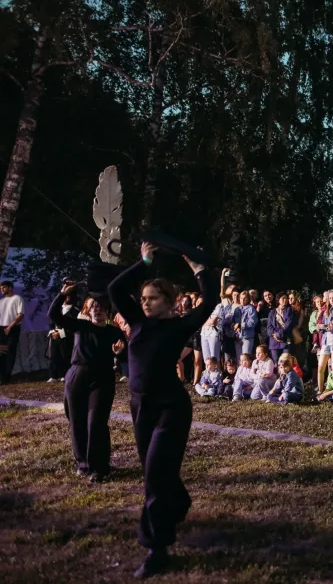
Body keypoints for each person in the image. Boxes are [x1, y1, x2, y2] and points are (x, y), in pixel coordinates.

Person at [107, 242, 217, 577]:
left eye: (152, 297)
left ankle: (157, 547)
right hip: (140, 407)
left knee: (155, 474)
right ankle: (179, 500)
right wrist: (143, 262)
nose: (145, 302)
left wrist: (199, 270)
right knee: (157, 471)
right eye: (143, 298)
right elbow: (114, 288)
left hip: (171, 408)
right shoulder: (137, 322)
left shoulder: (179, 325)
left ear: (169, 302)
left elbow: (209, 300)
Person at [48, 285, 126, 482]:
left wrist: (119, 353)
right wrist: (62, 294)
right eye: (93, 306)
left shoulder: (114, 333)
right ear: (87, 310)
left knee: (96, 422)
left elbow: (125, 356)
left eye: (101, 306)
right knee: (76, 422)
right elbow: (54, 315)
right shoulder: (80, 326)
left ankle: (100, 467)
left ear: (108, 312)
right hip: (77, 375)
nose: (97, 308)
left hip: (102, 378)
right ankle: (83, 465)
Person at [47, 290, 77, 382]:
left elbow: (74, 325)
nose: (67, 298)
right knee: (54, 354)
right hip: (55, 335)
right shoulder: (57, 309)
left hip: (67, 336)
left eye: (69, 296)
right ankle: (53, 375)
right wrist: (52, 332)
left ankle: (64, 374)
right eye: (66, 296)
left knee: (65, 355)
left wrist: (63, 333)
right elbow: (51, 322)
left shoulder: (74, 311)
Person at [0, 280, 25, 384]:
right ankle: (1, 377)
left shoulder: (17, 298)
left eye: (4, 287)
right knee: (1, 352)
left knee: (10, 351)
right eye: (1, 288)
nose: (2, 289)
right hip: (1, 328)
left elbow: (20, 314)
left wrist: (10, 326)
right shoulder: (1, 301)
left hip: (13, 327)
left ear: (10, 287)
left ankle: (6, 378)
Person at [267, 292, 295, 362]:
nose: (285, 300)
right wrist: (274, 335)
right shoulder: (272, 312)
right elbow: (269, 327)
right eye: (283, 298)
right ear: (278, 300)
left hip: (286, 339)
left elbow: (288, 324)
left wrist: (279, 334)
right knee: (275, 361)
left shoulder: (290, 310)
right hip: (274, 341)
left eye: (286, 298)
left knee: (286, 361)